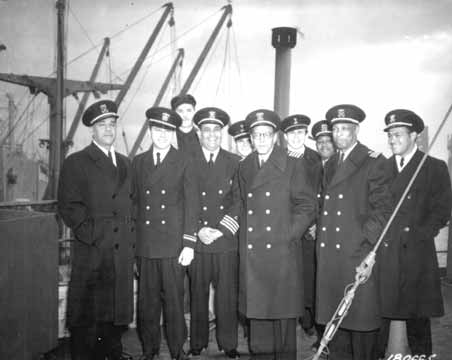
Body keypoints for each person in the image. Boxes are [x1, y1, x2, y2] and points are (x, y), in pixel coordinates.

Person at [216, 109, 317, 358]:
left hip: (282, 255)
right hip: (253, 259)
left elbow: (308, 206)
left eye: (266, 135)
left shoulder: (293, 164)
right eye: (255, 135)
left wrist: (287, 235)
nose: (260, 140)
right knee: (258, 328)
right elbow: (238, 204)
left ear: (274, 137)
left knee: (282, 329)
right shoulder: (245, 166)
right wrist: (220, 230)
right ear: (250, 138)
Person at [58, 99, 135, 360]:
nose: (108, 130)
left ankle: (112, 353)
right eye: (102, 125)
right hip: (93, 252)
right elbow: (69, 207)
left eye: (112, 124)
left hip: (120, 252)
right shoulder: (77, 162)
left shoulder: (126, 163)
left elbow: (132, 204)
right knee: (87, 317)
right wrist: (95, 235)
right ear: (92, 130)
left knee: (115, 315)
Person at [316, 104, 393, 360]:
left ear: (356, 130)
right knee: (335, 326)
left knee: (360, 328)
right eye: (335, 129)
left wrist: (366, 248)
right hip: (330, 259)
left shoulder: (373, 162)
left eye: (345, 129)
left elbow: (383, 211)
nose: (339, 134)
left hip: (355, 256)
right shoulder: (329, 164)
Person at [378, 109, 452, 357]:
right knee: (380, 323)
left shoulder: (433, 167)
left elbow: (443, 210)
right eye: (390, 135)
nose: (392, 140)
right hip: (386, 258)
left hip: (417, 258)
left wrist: (420, 234)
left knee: (418, 326)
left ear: (415, 136)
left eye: (397, 134)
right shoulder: (381, 168)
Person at [132, 107, 199, 360]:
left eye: (167, 130)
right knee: (147, 304)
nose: (161, 135)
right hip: (147, 245)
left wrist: (189, 244)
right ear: (150, 131)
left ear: (172, 133)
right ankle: (149, 350)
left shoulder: (184, 161)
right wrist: (134, 247)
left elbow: (192, 205)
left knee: (174, 302)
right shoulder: (138, 162)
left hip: (173, 246)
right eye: (157, 129)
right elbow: (135, 204)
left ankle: (176, 350)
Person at [188, 107, 241, 358]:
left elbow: (240, 201)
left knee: (226, 296)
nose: (211, 135)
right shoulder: (188, 160)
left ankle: (228, 343)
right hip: (199, 239)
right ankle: (197, 342)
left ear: (222, 133)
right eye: (206, 130)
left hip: (224, 240)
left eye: (216, 130)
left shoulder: (235, 162)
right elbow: (185, 199)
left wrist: (220, 230)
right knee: (198, 294)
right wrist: (198, 229)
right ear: (199, 133)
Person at [280, 114, 321, 337]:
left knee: (308, 275)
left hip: (310, 228)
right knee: (288, 274)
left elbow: (321, 193)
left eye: (300, 133)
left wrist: (316, 223)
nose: (296, 137)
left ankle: (309, 321)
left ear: (306, 135)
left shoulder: (315, 159)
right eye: (291, 133)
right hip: (285, 227)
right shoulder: (277, 158)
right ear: (285, 136)